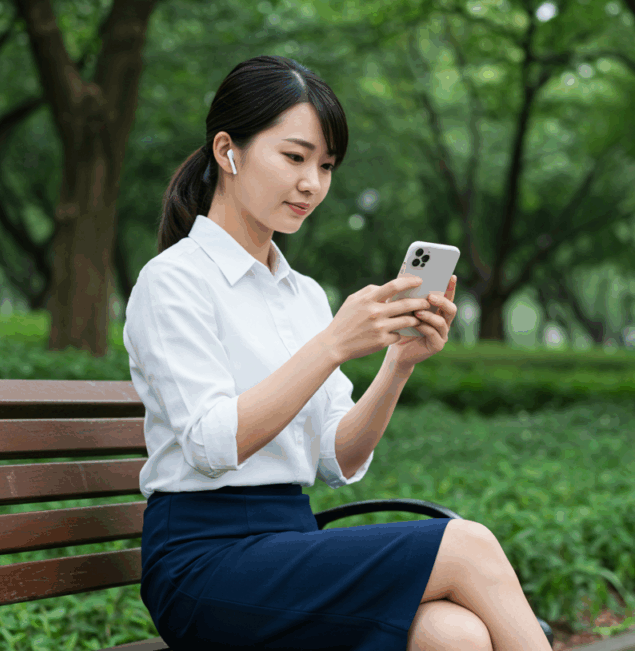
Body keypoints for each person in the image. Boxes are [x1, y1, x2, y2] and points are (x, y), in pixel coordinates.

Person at [122, 55, 552, 651]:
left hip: (290, 545)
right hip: (204, 564)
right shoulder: (172, 281)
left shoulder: (303, 295)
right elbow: (209, 445)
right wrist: (331, 346)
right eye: (294, 157)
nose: (312, 184)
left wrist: (398, 365)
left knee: (454, 636)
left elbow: (337, 457)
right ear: (228, 151)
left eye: (325, 166)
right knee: (466, 542)